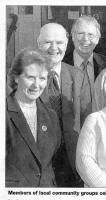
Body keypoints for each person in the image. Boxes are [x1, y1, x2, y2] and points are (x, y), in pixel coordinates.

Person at [37, 23, 92, 187]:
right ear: (38, 43)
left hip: (71, 162)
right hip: (37, 162)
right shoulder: (26, 75)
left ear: (67, 45)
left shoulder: (78, 77)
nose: (54, 48)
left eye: (59, 43)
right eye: (48, 42)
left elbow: (87, 120)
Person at [6, 48, 61, 187]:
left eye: (42, 78)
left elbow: (51, 160)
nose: (37, 85)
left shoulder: (51, 116)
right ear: (16, 77)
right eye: (30, 77)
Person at [63, 15, 106, 110]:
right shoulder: (62, 64)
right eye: (80, 34)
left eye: (90, 35)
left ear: (98, 38)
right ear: (73, 36)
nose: (85, 39)